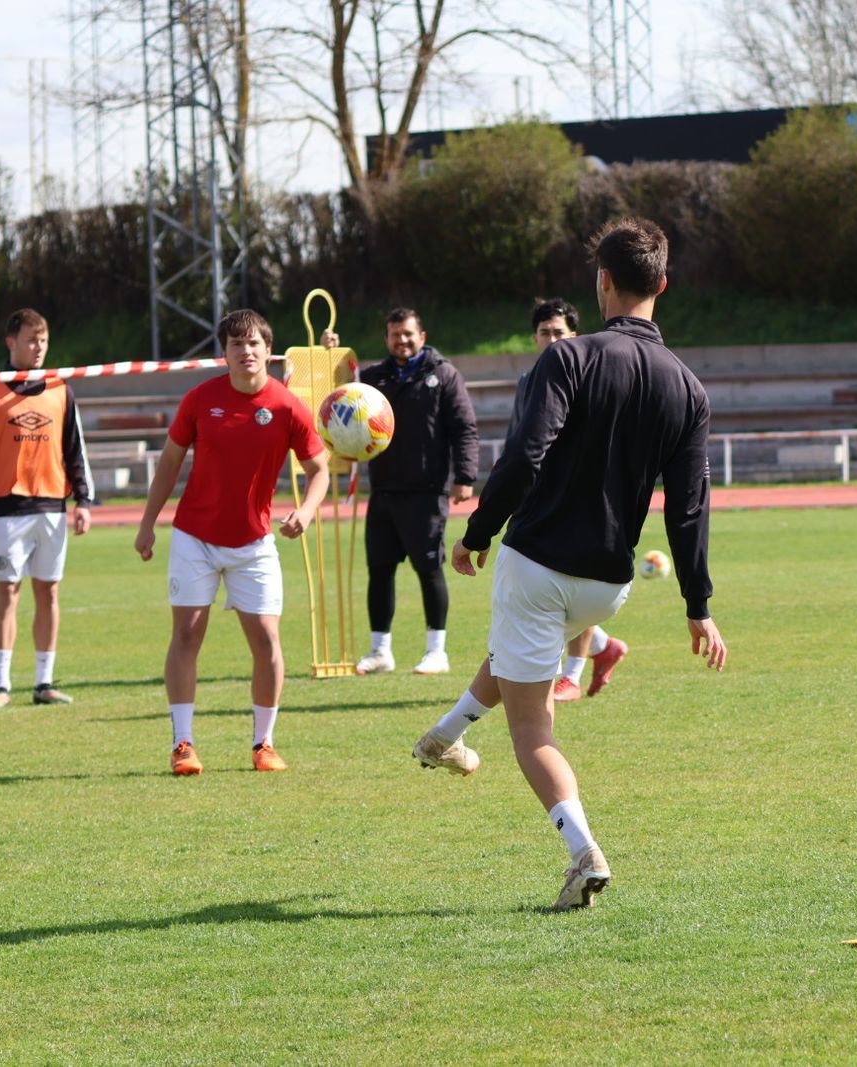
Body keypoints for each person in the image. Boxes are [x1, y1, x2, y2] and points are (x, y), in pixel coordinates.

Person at [410, 218, 727, 911]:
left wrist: (477, 531)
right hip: (607, 587)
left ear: (603, 281)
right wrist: (697, 604)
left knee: (532, 728)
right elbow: (690, 508)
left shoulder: (570, 357)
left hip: (540, 563)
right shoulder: (689, 388)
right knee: (520, 654)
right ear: (664, 285)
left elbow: (525, 455)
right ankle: (444, 735)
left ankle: (583, 849)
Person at [134, 309, 330, 776]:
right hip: (193, 538)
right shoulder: (200, 400)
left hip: (255, 543)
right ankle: (183, 744)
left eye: (254, 343)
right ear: (224, 353)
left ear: (268, 349)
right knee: (186, 635)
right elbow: (169, 464)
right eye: (236, 344)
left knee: (266, 642)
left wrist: (304, 512)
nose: (246, 351)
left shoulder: (286, 406)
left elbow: (320, 469)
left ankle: (264, 743)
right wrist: (147, 523)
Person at [0, 308, 94, 709]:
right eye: (31, 340)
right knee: (8, 592)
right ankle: (1, 686)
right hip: (7, 509)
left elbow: (76, 450)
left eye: (44, 340)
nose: (38, 348)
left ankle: (44, 682)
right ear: (11, 342)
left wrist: (83, 500)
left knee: (48, 593)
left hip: (52, 507)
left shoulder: (60, 389)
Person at [349, 308, 478, 677]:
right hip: (384, 490)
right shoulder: (373, 378)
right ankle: (379, 651)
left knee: (429, 569)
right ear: (386, 339)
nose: (401, 341)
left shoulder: (444, 375)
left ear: (421, 335)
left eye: (407, 334)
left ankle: (436, 650)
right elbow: (341, 399)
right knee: (379, 570)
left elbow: (464, 427)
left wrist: (465, 475)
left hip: (427, 491)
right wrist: (332, 353)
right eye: (394, 335)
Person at [524, 298, 627, 703]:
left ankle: (571, 674)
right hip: (541, 498)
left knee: (572, 580)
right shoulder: (529, 382)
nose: (552, 340)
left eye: (559, 333)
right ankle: (604, 647)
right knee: (545, 588)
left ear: (575, 337)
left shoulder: (587, 381)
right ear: (534, 338)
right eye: (545, 333)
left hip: (581, 498)